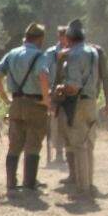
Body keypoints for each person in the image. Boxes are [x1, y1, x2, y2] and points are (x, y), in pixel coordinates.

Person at [0, 22, 53, 190]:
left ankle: (11, 183)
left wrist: (6, 99)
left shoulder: (12, 54)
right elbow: (43, 75)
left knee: (14, 145)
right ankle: (29, 182)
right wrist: (46, 99)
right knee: (33, 144)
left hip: (16, 103)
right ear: (40, 39)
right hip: (35, 104)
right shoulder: (40, 56)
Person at [58, 19, 108, 197]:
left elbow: (74, 86)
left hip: (78, 103)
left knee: (79, 146)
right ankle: (90, 183)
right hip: (92, 102)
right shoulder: (94, 52)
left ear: (70, 39)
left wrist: (60, 88)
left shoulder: (73, 55)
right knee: (89, 145)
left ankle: (83, 188)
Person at [46, 26, 68, 169]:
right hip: (55, 92)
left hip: (70, 92)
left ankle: (69, 153)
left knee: (68, 124)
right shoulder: (51, 53)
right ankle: (59, 152)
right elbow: (46, 72)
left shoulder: (74, 52)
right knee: (56, 124)